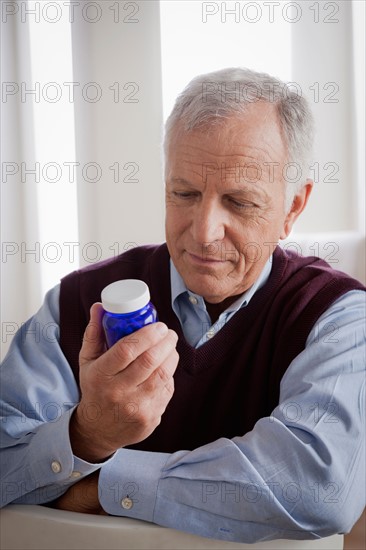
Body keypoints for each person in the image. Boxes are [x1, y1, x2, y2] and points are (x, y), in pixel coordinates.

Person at [1, 68, 365, 544]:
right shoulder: (78, 302)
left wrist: (96, 485)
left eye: (239, 202)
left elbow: (317, 487)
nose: (203, 230)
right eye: (184, 193)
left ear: (293, 207)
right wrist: (89, 433)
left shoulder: (337, 316)